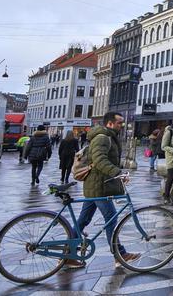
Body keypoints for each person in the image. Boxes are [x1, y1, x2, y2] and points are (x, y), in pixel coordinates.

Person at [71, 112, 139, 269]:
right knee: (112, 219)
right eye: (119, 123)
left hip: (96, 186)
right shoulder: (102, 138)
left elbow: (106, 158)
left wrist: (119, 165)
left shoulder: (107, 136)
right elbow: (100, 160)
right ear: (110, 123)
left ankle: (68, 254)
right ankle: (119, 254)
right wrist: (117, 172)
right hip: (99, 187)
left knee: (83, 220)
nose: (121, 125)